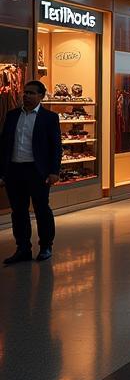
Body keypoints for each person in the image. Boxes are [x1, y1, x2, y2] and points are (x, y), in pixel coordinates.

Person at [1, 80, 62, 264]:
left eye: (31, 93)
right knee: (18, 211)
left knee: (41, 209)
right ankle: (23, 248)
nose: (26, 96)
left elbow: (56, 147)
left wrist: (54, 171)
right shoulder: (12, 116)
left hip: (37, 171)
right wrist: (3, 171)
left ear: (41, 96)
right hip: (15, 170)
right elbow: (4, 144)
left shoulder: (49, 118)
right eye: (25, 93)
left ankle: (45, 246)